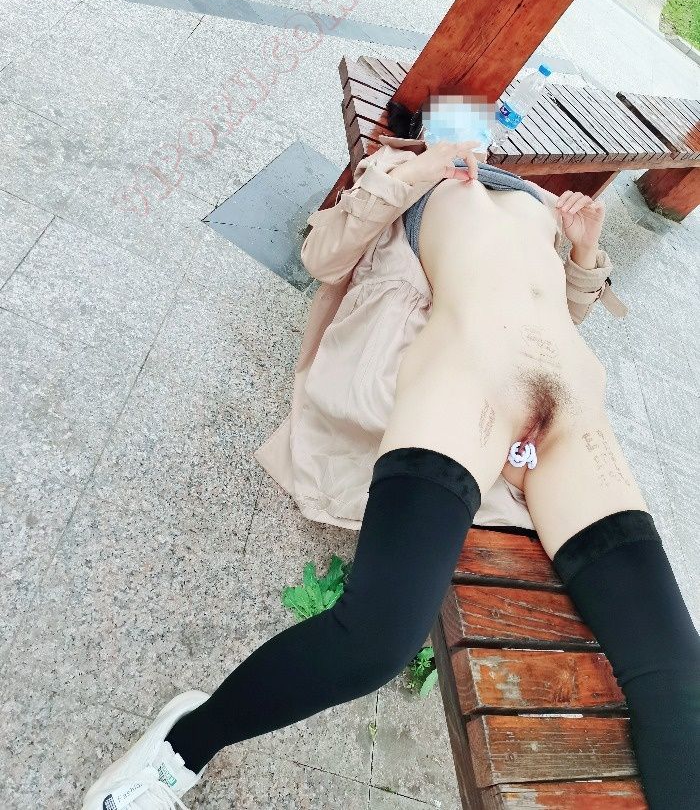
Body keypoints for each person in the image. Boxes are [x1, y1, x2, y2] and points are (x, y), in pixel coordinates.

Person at [82, 106, 699, 810]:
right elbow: (322, 256)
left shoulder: (535, 200)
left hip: (573, 405)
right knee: (377, 639)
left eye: (477, 124)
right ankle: (184, 742)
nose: (471, 134)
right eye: (453, 122)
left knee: (679, 671)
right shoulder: (407, 174)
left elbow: (557, 315)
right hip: (469, 383)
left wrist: (585, 253)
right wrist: (425, 166)